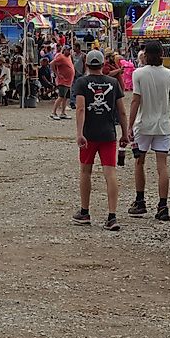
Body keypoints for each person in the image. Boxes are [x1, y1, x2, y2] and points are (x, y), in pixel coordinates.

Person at [72, 50, 128, 230]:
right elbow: (122, 111)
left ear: (87, 65)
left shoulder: (81, 83)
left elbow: (80, 109)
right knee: (110, 173)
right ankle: (112, 216)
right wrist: (125, 133)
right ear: (103, 64)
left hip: (89, 134)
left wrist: (79, 133)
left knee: (85, 172)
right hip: (108, 133)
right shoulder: (112, 83)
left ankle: (85, 211)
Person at [127, 41, 170, 221]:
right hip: (163, 124)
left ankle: (140, 200)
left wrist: (129, 125)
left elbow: (136, 101)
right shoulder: (169, 74)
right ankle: (163, 204)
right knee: (162, 166)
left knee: (139, 162)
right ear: (162, 53)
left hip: (143, 124)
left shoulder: (139, 74)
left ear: (145, 54)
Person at [50, 45, 75, 121]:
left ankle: (63, 113)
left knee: (65, 97)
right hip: (63, 81)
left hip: (68, 81)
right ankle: (53, 112)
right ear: (64, 50)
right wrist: (56, 73)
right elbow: (52, 63)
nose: (69, 51)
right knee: (61, 96)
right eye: (68, 50)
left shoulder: (69, 57)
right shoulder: (61, 57)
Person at [69, 43, 85, 109]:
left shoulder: (83, 55)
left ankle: (80, 101)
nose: (73, 49)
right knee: (73, 88)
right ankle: (72, 102)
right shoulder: (73, 55)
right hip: (74, 74)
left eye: (75, 47)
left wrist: (84, 72)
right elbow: (72, 63)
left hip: (80, 74)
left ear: (78, 47)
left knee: (81, 88)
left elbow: (85, 64)